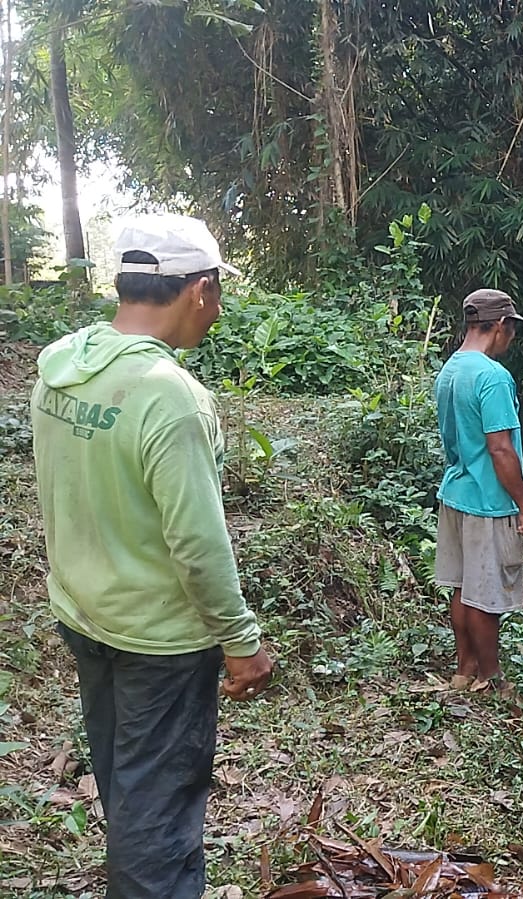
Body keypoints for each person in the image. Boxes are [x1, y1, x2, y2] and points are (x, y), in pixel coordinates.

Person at [30, 214, 274, 898]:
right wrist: (241, 642)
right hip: (159, 640)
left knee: (126, 780)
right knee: (159, 807)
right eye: (218, 294)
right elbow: (197, 544)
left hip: (84, 613)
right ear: (200, 289)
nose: (217, 310)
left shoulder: (60, 367)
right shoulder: (171, 398)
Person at [434, 289, 523, 696]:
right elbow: (500, 448)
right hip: (488, 501)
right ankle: (492, 679)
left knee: (463, 587)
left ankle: (464, 670)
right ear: (500, 325)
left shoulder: (449, 370)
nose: (511, 339)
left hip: (456, 493)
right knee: (485, 595)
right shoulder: (492, 376)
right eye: (512, 330)